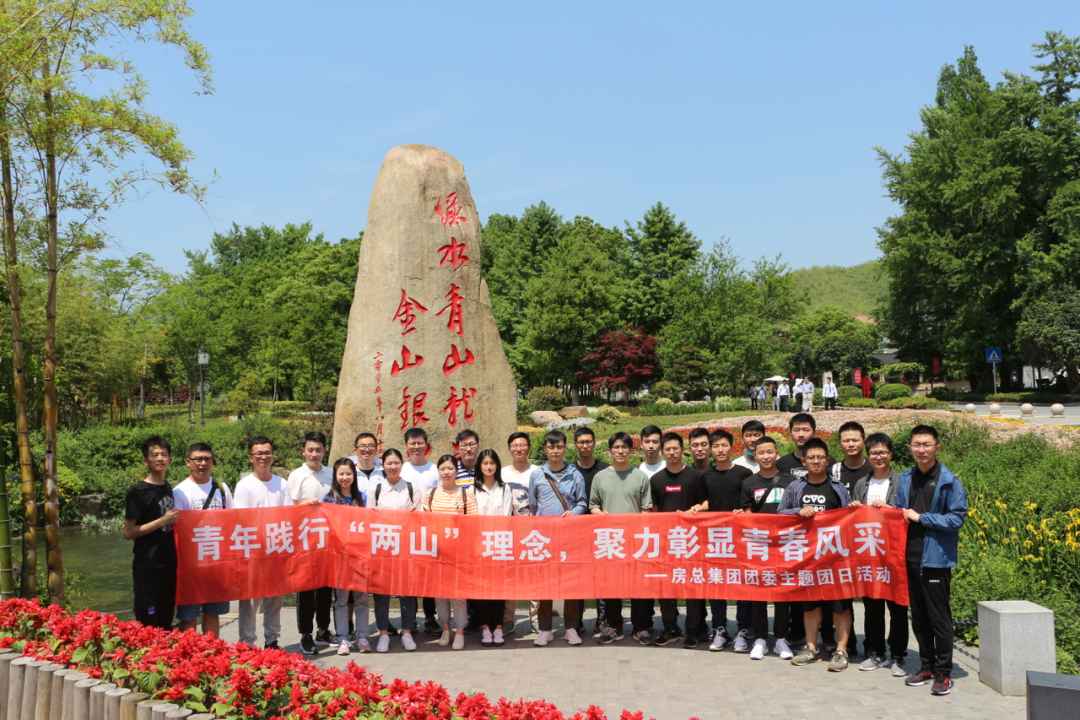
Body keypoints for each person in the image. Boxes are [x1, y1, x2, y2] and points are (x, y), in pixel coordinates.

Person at [895, 425, 968, 696]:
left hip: (935, 559)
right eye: (917, 445)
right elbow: (898, 512)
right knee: (919, 617)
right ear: (910, 448)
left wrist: (922, 518)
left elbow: (956, 518)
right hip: (909, 557)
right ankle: (926, 666)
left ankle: (943, 672)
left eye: (926, 444)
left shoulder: (949, 480)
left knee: (939, 618)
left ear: (937, 447)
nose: (922, 450)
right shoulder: (905, 478)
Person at [780, 437, 854, 672]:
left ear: (827, 460)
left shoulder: (838, 488)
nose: (816, 461)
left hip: (835, 557)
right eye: (811, 458)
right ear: (803, 461)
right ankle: (811, 647)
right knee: (810, 605)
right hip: (808, 558)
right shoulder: (795, 487)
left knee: (841, 606)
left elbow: (849, 518)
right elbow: (780, 514)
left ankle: (841, 650)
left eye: (820, 457)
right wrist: (798, 511)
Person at [849, 433, 908, 675]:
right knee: (872, 606)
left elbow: (907, 511)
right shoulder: (861, 483)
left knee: (897, 607)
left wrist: (890, 509)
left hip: (894, 552)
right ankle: (875, 652)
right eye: (874, 453)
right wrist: (854, 508)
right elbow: (854, 520)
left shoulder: (903, 481)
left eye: (883, 452)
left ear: (891, 454)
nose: (878, 457)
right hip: (870, 554)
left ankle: (898, 655)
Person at [589, 432, 654, 645]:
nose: (620, 451)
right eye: (616, 447)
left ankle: (640, 627)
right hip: (611, 541)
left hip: (636, 541)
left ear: (631, 451)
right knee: (611, 586)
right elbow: (593, 505)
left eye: (624, 447)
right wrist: (600, 514)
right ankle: (614, 626)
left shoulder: (640, 476)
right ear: (610, 451)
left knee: (639, 585)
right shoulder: (600, 477)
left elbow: (646, 508)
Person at [690, 429, 752, 650]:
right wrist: (698, 508)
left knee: (742, 584)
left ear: (732, 447)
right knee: (717, 584)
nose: (720, 450)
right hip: (715, 538)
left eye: (724, 445)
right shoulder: (704, 476)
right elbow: (706, 502)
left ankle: (743, 629)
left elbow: (748, 504)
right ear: (711, 450)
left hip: (740, 538)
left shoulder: (744, 473)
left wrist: (743, 512)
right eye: (715, 446)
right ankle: (720, 629)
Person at [737, 436, 795, 660]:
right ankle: (760, 638)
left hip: (784, 544)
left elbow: (795, 510)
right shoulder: (749, 483)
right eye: (761, 452)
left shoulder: (790, 481)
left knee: (782, 592)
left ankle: (781, 638)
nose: (766, 456)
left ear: (776, 453)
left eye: (770, 452)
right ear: (755, 455)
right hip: (759, 546)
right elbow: (747, 514)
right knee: (758, 592)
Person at [528, 430, 587, 646]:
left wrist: (575, 513)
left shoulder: (575, 474)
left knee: (571, 583)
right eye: (551, 447)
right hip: (545, 538)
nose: (555, 451)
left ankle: (571, 628)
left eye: (559, 446)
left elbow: (582, 502)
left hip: (570, 537)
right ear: (545, 449)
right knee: (545, 584)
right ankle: (545, 629)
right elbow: (533, 505)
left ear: (565, 448)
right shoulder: (537, 475)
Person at [233, 436, 292, 649]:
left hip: (276, 550)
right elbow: (241, 520)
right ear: (251, 457)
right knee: (250, 601)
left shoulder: (282, 484)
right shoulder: (244, 486)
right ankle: (247, 643)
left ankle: (272, 640)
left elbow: (288, 515)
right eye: (258, 453)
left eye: (267, 453)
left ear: (272, 456)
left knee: (275, 599)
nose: (263, 457)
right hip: (253, 552)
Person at [649, 432, 706, 647]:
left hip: (692, 540)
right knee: (666, 587)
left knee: (693, 585)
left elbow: (706, 502)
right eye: (668, 449)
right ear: (662, 452)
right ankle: (670, 627)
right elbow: (653, 510)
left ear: (683, 450)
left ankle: (694, 630)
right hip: (666, 541)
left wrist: (697, 508)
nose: (672, 453)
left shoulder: (695, 477)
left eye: (676, 449)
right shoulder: (656, 480)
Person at [172, 441, 234, 635]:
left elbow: (231, 521)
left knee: (213, 613)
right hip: (190, 565)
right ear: (188, 462)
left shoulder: (222, 488)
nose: (202, 463)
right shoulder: (180, 492)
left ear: (212, 462)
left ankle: (212, 650)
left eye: (207, 459)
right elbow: (178, 529)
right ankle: (190, 651)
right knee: (188, 616)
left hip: (216, 562)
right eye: (198, 459)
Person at [370, 448, 422, 652]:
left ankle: (407, 631)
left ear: (402, 464)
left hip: (406, 548)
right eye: (388, 463)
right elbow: (369, 517)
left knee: (408, 591)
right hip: (382, 547)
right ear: (383, 465)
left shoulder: (411, 487)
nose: (392, 466)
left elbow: (419, 517)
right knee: (381, 592)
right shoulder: (377, 488)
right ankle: (383, 632)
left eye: (396, 463)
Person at [124, 436, 178, 629]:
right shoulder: (137, 491)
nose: (160, 458)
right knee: (148, 620)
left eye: (164, 454)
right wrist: (162, 521)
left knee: (166, 617)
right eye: (155, 455)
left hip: (169, 562)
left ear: (170, 459)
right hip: (147, 565)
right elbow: (128, 532)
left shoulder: (168, 487)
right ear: (146, 460)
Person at [425, 454, 479, 650]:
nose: (446, 472)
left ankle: (460, 630)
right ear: (438, 471)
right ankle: (445, 628)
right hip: (436, 553)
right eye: (443, 469)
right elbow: (424, 522)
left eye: (450, 468)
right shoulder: (430, 494)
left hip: (459, 554)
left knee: (458, 595)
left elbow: (473, 524)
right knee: (440, 595)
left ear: (456, 471)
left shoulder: (466, 494)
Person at [287, 431, 334, 654]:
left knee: (326, 588)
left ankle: (323, 629)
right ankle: (305, 633)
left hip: (328, 539)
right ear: (303, 452)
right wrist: (306, 505)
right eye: (310, 450)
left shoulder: (331, 473)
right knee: (306, 589)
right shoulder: (297, 475)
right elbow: (289, 506)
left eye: (318, 450)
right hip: (304, 539)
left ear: (325, 451)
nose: (314, 454)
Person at [325, 457, 370, 655]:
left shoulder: (362, 498)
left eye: (348, 473)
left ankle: (362, 637)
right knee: (341, 600)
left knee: (361, 599)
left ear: (354, 476)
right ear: (335, 476)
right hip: (339, 558)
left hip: (360, 557)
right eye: (341, 474)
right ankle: (343, 638)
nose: (345, 477)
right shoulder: (329, 499)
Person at [401, 427, 440, 636]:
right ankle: (410, 619)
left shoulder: (435, 470)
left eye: (419, 443)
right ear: (406, 446)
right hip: (406, 531)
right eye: (412, 443)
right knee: (409, 577)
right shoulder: (402, 469)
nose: (416, 447)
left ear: (427, 445)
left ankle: (430, 617)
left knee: (429, 578)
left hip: (430, 529)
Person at [473, 448, 515, 646]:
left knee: (499, 588)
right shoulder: (472, 489)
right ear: (479, 466)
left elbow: (506, 517)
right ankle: (485, 628)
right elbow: (471, 517)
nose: (488, 467)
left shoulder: (505, 488)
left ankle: (498, 627)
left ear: (497, 466)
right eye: (485, 463)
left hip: (499, 544)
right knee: (481, 589)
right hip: (479, 545)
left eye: (492, 463)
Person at [573, 426, 608, 638]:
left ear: (594, 443)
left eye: (588, 441)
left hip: (601, 533)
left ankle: (602, 620)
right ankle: (575, 622)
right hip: (576, 534)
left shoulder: (604, 470)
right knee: (577, 579)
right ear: (575, 445)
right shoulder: (569, 471)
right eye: (581, 442)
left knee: (602, 578)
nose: (585, 445)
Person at [500, 432, 536, 633]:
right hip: (508, 533)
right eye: (515, 445)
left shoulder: (537, 472)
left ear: (529, 447)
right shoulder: (503, 473)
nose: (519, 449)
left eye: (522, 445)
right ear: (509, 448)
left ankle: (536, 619)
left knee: (535, 576)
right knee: (509, 577)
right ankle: (507, 619)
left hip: (533, 533)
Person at [349, 432, 384, 500]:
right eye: (363, 446)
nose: (367, 449)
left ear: (376, 449)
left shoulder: (384, 472)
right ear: (355, 449)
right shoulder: (349, 474)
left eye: (371, 446)